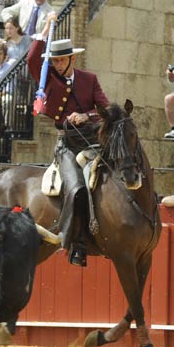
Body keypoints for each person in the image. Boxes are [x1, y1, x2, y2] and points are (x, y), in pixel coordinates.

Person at [27, 13, 109, 266]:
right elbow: (32, 58)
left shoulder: (89, 79)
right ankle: (77, 243)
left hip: (94, 142)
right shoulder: (47, 76)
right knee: (76, 188)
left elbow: (105, 109)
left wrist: (86, 115)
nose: (58, 64)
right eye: (55, 60)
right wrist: (47, 27)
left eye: (62, 59)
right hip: (68, 146)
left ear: (73, 58)